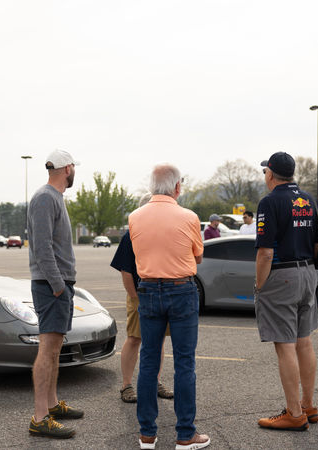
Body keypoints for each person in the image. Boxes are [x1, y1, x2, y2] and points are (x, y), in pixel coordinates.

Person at [129, 164, 209, 450]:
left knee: (149, 361)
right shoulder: (189, 217)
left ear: (152, 186)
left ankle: (147, 434)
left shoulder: (134, 217)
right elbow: (198, 256)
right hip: (181, 289)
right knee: (184, 362)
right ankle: (185, 434)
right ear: (177, 187)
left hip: (148, 289)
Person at [254, 151, 318, 431]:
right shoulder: (308, 199)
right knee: (304, 341)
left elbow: (265, 252)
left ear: (270, 173)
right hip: (308, 271)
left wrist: (260, 284)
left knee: (285, 345)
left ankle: (294, 413)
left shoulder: (270, 202)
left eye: (265, 172)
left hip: (282, 274)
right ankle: (308, 405)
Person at [27, 150, 84, 439]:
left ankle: (51, 405)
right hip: (51, 286)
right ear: (68, 169)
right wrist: (58, 285)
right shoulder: (45, 198)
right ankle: (40, 418)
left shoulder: (55, 197)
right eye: (74, 167)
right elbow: (42, 246)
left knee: (55, 349)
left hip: (57, 285)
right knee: (47, 350)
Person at [110, 194, 174, 405]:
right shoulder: (131, 235)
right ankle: (126, 385)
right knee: (134, 339)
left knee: (159, 339)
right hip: (140, 294)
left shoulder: (163, 233)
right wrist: (134, 297)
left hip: (162, 292)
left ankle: (155, 382)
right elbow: (126, 271)